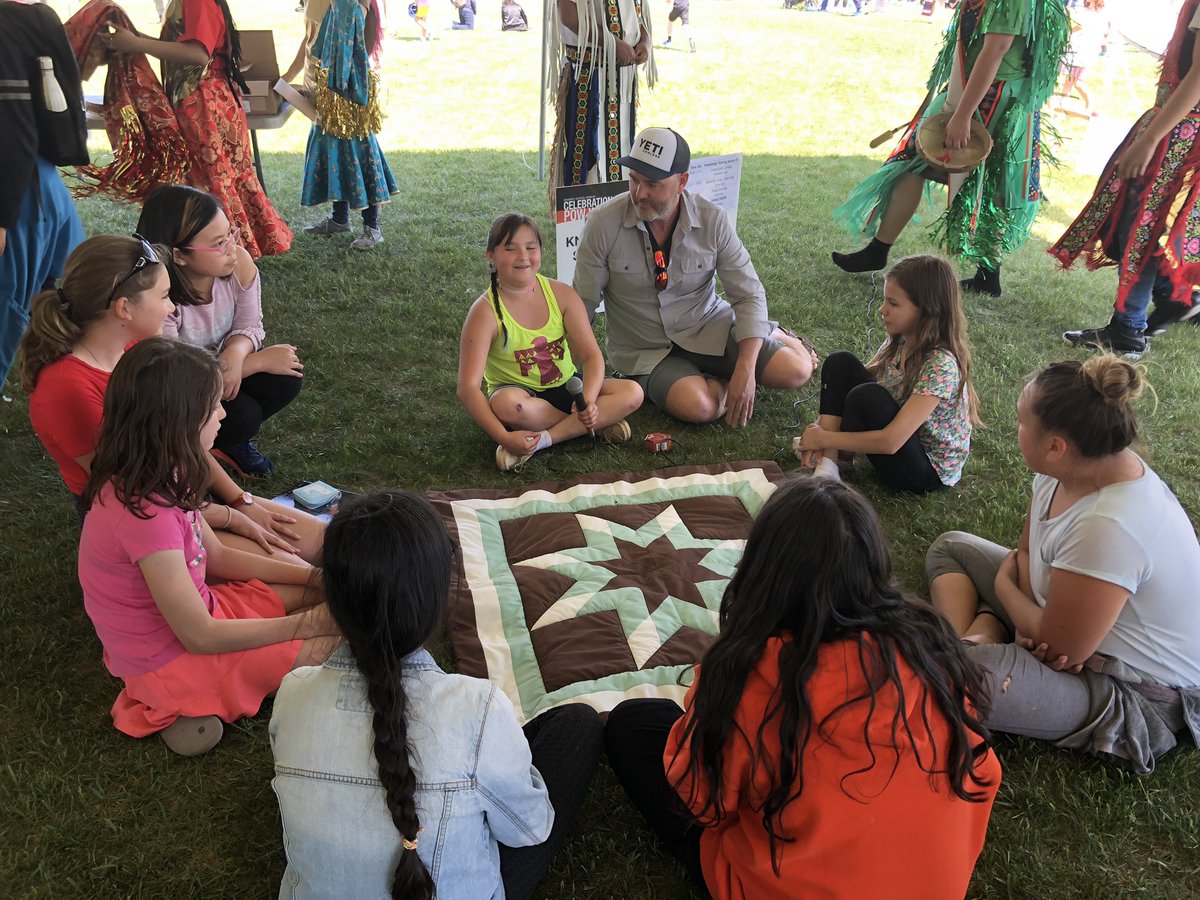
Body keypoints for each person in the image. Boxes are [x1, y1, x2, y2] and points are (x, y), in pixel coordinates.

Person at [605, 476, 1000, 898]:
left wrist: (707, 704)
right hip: (931, 886)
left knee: (633, 724)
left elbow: (701, 801)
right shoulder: (932, 647)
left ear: (762, 572)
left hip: (780, 882)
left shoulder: (749, 673)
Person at [270, 490, 604, 900]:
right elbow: (529, 830)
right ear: (436, 599)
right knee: (576, 725)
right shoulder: (478, 708)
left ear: (333, 601)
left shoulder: (293, 694)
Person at [926, 356, 1200, 774]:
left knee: (966, 677)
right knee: (950, 548)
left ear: (1056, 446)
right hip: (1060, 620)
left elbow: (1063, 648)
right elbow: (1024, 555)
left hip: (1133, 690)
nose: (1014, 428)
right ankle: (975, 637)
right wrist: (1025, 613)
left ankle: (975, 643)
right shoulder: (1063, 471)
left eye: (1021, 422)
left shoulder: (1110, 524)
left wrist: (1003, 592)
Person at [78, 338, 340, 756]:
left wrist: (316, 577)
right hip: (173, 660)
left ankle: (198, 702)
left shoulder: (166, 469)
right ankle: (178, 703)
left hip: (205, 614)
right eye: (212, 407)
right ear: (178, 423)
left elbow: (215, 556)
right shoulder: (145, 515)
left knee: (322, 594)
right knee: (341, 642)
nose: (222, 413)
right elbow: (200, 635)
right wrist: (307, 625)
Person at [18, 235, 324, 561]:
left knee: (322, 540)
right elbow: (137, 490)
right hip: (141, 514)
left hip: (177, 487)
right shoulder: (65, 389)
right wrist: (228, 516)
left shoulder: (137, 349)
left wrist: (240, 501)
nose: (173, 307)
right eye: (164, 296)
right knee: (296, 563)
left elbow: (181, 441)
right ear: (124, 308)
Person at [574, 127, 819, 428]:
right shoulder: (602, 224)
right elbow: (582, 304)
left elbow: (748, 293)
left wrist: (745, 366)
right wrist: (567, 363)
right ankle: (727, 373)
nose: (640, 193)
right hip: (646, 350)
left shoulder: (712, 219)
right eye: (634, 180)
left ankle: (775, 336)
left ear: (682, 182)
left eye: (653, 184)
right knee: (699, 407)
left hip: (709, 327)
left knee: (797, 370)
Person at [831, 0, 1069, 298]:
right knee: (915, 164)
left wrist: (962, 115)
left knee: (979, 182)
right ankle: (885, 250)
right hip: (980, 91)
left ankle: (984, 272)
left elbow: (996, 49)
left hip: (991, 98)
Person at [1052, 0, 1200, 358]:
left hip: (1182, 133)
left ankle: (1131, 326)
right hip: (1181, 128)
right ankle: (1171, 297)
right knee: (1155, 227)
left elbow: (1198, 79)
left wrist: (1151, 139)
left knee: (1143, 226)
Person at [137, 184, 304, 478]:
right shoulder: (160, 299)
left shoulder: (239, 263)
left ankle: (224, 442)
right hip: (178, 392)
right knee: (243, 414)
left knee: (285, 377)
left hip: (218, 373)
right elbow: (175, 375)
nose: (232, 245)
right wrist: (255, 362)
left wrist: (235, 353)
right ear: (178, 256)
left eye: (230, 233)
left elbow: (250, 324)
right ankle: (196, 451)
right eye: (218, 242)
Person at [104, 0, 294, 258]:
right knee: (216, 177)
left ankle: (223, 252)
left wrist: (138, 44)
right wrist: (137, 38)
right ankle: (224, 250)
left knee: (209, 180)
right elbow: (184, 45)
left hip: (203, 103)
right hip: (209, 99)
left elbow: (197, 54)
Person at [458, 213, 643, 471]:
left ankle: (545, 439)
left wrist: (587, 402)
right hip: (523, 397)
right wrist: (503, 437)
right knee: (509, 405)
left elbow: (591, 356)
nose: (523, 257)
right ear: (490, 254)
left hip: (568, 389)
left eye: (531, 247)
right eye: (510, 249)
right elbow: (467, 388)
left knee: (632, 392)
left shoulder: (561, 294)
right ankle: (594, 427)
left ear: (540, 251)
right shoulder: (484, 312)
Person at [794, 254, 979, 493]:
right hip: (903, 444)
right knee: (840, 363)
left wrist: (824, 438)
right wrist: (819, 429)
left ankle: (827, 450)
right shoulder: (902, 339)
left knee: (867, 395)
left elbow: (891, 442)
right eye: (884, 301)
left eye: (893, 303)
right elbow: (853, 380)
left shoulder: (940, 364)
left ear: (925, 310)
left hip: (924, 471)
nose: (883, 310)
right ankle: (827, 463)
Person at [0, 0, 87, 393]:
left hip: (19, 192)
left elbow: (13, 128)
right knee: (72, 304)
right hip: (37, 184)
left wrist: (2, 215)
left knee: (10, 309)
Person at [283, 0, 398, 251]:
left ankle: (372, 226)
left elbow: (365, 42)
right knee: (333, 151)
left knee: (356, 152)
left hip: (347, 87)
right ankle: (340, 219)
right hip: (318, 85)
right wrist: (288, 77)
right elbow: (309, 40)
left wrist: (345, 81)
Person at [545, 0, 654, 189]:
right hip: (588, 75)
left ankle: (620, 207)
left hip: (623, 78)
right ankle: (584, 216)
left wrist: (645, 41)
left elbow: (638, 11)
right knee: (585, 155)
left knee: (622, 146)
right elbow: (568, 15)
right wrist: (612, 42)